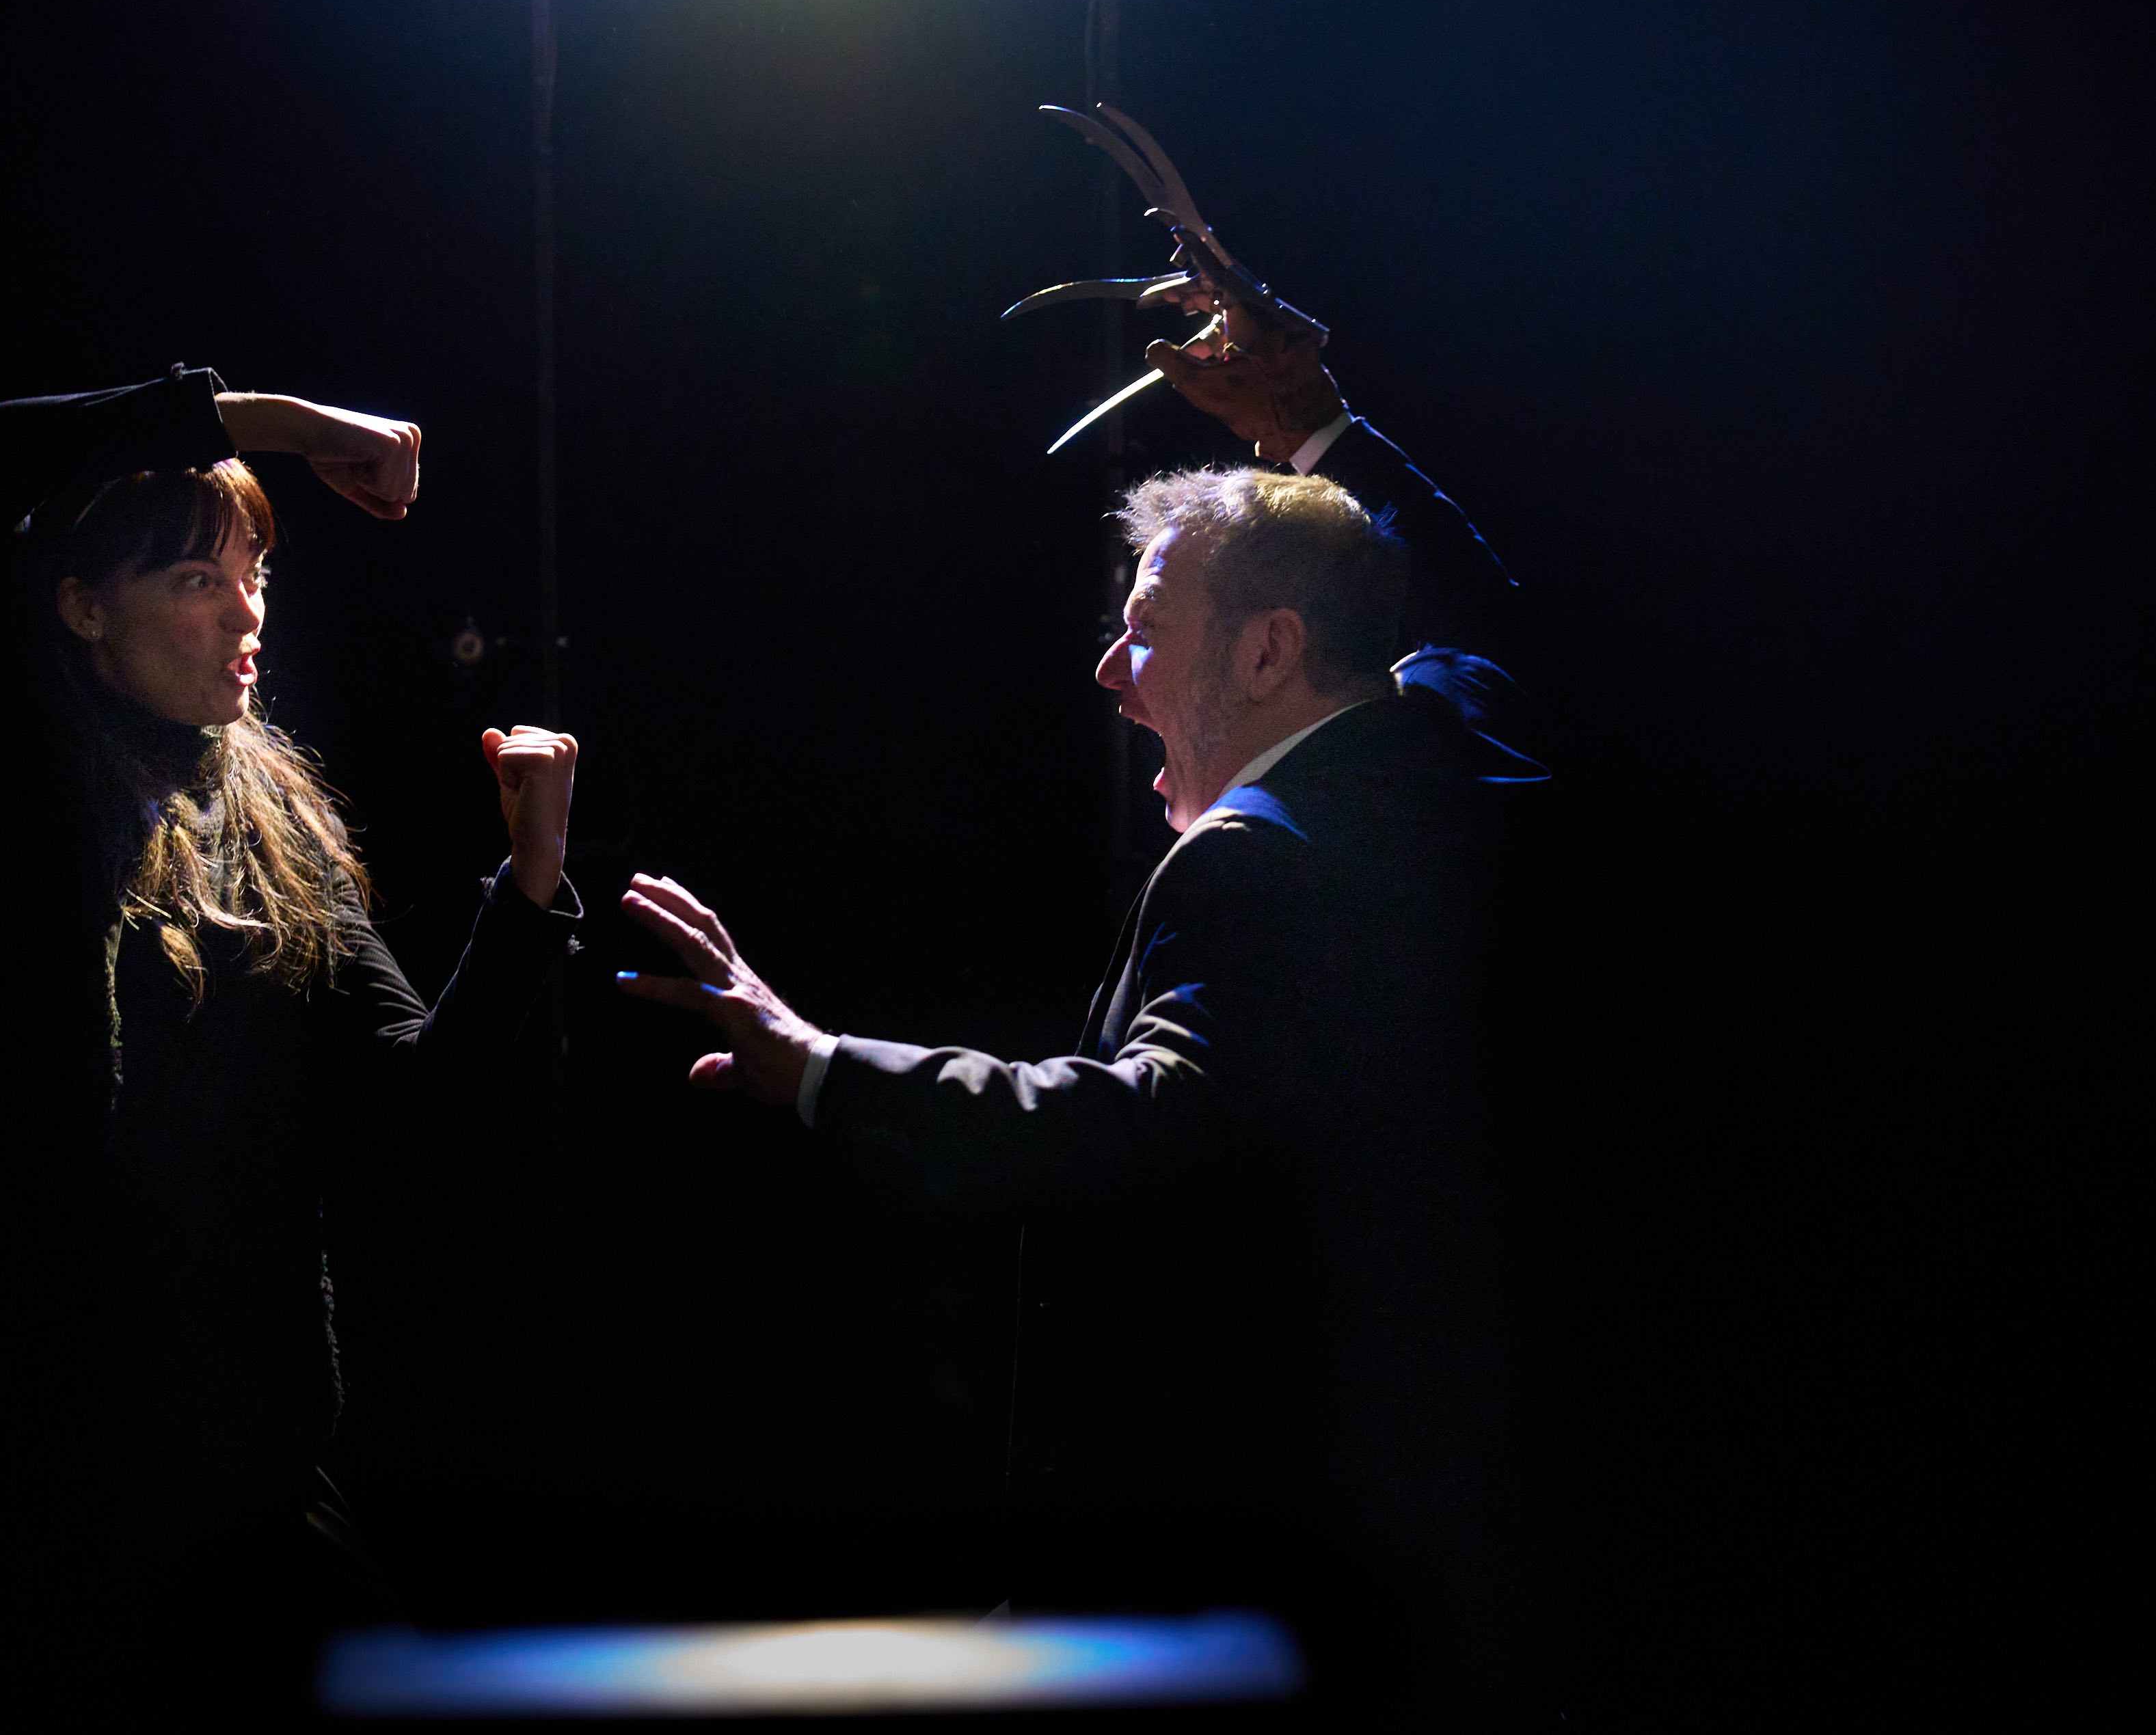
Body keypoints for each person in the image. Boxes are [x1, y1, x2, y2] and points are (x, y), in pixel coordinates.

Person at [615, 295, 1541, 1713]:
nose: (1110, 669)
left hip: (1247, 1560)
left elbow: (1141, 1121)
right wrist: (1310, 426)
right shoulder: (1447, 751)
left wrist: (818, 1066)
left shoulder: (1251, 860)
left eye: (1146, 629)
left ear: (1267, 651)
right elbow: (1465, 604)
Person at [0, 364, 578, 1711]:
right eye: (197, 578)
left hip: (247, 1460)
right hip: (48, 1465)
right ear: (84, 608)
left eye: (254, 571)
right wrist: (297, 428)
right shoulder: (19, 775)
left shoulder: (272, 832)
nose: (247, 611)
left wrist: (532, 881)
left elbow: (416, 1110)